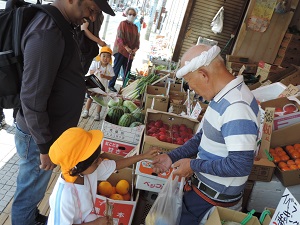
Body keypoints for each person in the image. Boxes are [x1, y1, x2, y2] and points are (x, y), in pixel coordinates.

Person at [11, 0, 115, 225]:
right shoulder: (47, 32)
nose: (92, 18)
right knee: (29, 190)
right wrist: (44, 145)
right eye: (91, 9)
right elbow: (32, 98)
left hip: (49, 134)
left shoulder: (63, 26)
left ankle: (31, 217)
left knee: (35, 187)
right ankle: (24, 219)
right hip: (37, 135)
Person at [151, 44, 260, 225]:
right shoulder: (223, 97)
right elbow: (201, 137)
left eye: (191, 84)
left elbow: (240, 165)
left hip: (211, 204)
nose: (193, 90)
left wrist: (193, 165)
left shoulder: (236, 107)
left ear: (203, 74)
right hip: (202, 195)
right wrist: (172, 157)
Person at [47, 127, 157, 225]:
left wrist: (143, 156)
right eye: (95, 161)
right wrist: (96, 223)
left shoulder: (87, 171)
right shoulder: (64, 196)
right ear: (79, 166)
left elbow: (116, 165)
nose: (100, 161)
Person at [108, 7, 140, 92]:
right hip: (121, 50)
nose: (132, 16)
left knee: (127, 71)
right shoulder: (123, 24)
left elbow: (137, 40)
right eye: (130, 14)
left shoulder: (135, 27)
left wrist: (135, 49)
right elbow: (120, 37)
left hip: (130, 53)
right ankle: (111, 85)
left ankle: (125, 88)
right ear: (126, 14)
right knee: (117, 68)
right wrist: (127, 48)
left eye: (133, 14)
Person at [81, 46, 115, 120]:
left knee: (99, 101)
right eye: (104, 56)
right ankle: (86, 111)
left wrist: (105, 76)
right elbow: (90, 71)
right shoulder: (95, 64)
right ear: (100, 56)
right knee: (90, 98)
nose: (105, 58)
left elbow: (111, 77)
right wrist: (97, 72)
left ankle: (97, 114)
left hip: (102, 87)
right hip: (93, 85)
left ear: (110, 59)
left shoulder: (109, 67)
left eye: (108, 57)